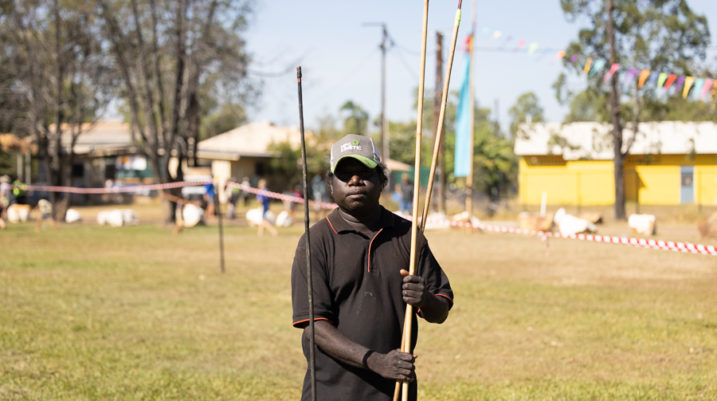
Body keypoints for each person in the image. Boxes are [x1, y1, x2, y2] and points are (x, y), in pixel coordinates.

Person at [291, 134, 453, 401]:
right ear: (331, 184)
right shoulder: (316, 241)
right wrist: (375, 361)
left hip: (394, 391)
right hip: (330, 391)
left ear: (382, 180)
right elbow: (314, 325)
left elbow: (441, 311)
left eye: (364, 172)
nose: (355, 180)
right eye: (345, 174)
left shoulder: (408, 236)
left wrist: (424, 298)